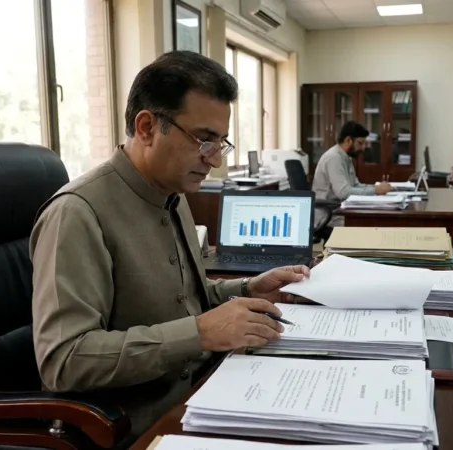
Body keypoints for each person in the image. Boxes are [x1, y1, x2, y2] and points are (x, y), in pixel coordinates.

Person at [29, 51, 310, 438]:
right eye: (203, 140)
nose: (214, 161)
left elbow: (178, 300)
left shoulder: (171, 195)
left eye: (220, 143)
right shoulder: (77, 213)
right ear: (146, 127)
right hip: (142, 422)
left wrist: (247, 288)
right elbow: (64, 360)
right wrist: (198, 333)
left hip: (207, 389)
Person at [311, 121, 392, 227]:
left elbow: (355, 185)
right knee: (372, 223)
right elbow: (343, 192)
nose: (363, 148)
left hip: (341, 209)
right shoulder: (334, 158)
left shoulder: (345, 157)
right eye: (360, 143)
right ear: (348, 140)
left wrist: (377, 187)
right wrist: (376, 190)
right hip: (329, 215)